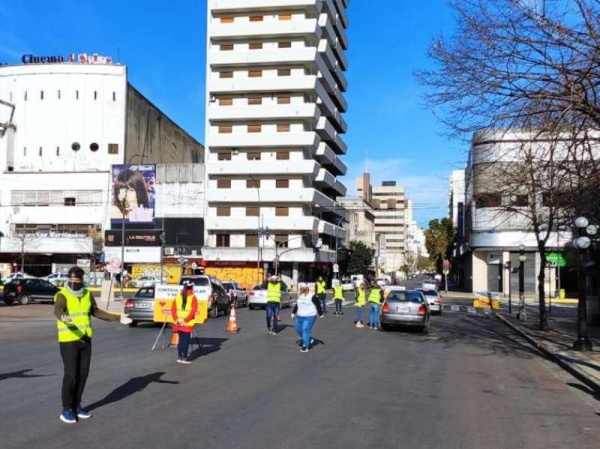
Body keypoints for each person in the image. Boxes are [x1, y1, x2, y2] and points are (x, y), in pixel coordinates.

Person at [54, 266, 132, 424]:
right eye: (71, 279)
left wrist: (117, 318)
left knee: (83, 375)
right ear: (68, 279)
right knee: (71, 375)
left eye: (77, 280)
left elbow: (96, 311)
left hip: (85, 341)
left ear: (82, 280)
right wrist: (63, 317)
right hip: (69, 341)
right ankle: (66, 409)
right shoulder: (62, 295)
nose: (74, 282)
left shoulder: (87, 294)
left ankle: (77, 406)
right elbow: (58, 309)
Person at [170, 281, 199, 364]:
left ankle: (179, 357)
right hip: (187, 323)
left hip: (178, 322)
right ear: (192, 287)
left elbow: (173, 309)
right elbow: (193, 312)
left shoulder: (178, 296)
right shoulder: (193, 297)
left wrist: (176, 319)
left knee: (181, 340)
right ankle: (184, 358)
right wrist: (185, 320)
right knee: (186, 341)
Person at [291, 283, 323, 352]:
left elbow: (318, 305)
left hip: (310, 316)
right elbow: (297, 305)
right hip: (299, 316)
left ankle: (305, 346)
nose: (301, 290)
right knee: (298, 329)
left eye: (302, 288)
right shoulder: (300, 296)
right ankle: (309, 339)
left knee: (305, 330)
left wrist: (320, 314)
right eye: (300, 288)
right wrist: (293, 312)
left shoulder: (312, 296)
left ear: (306, 289)